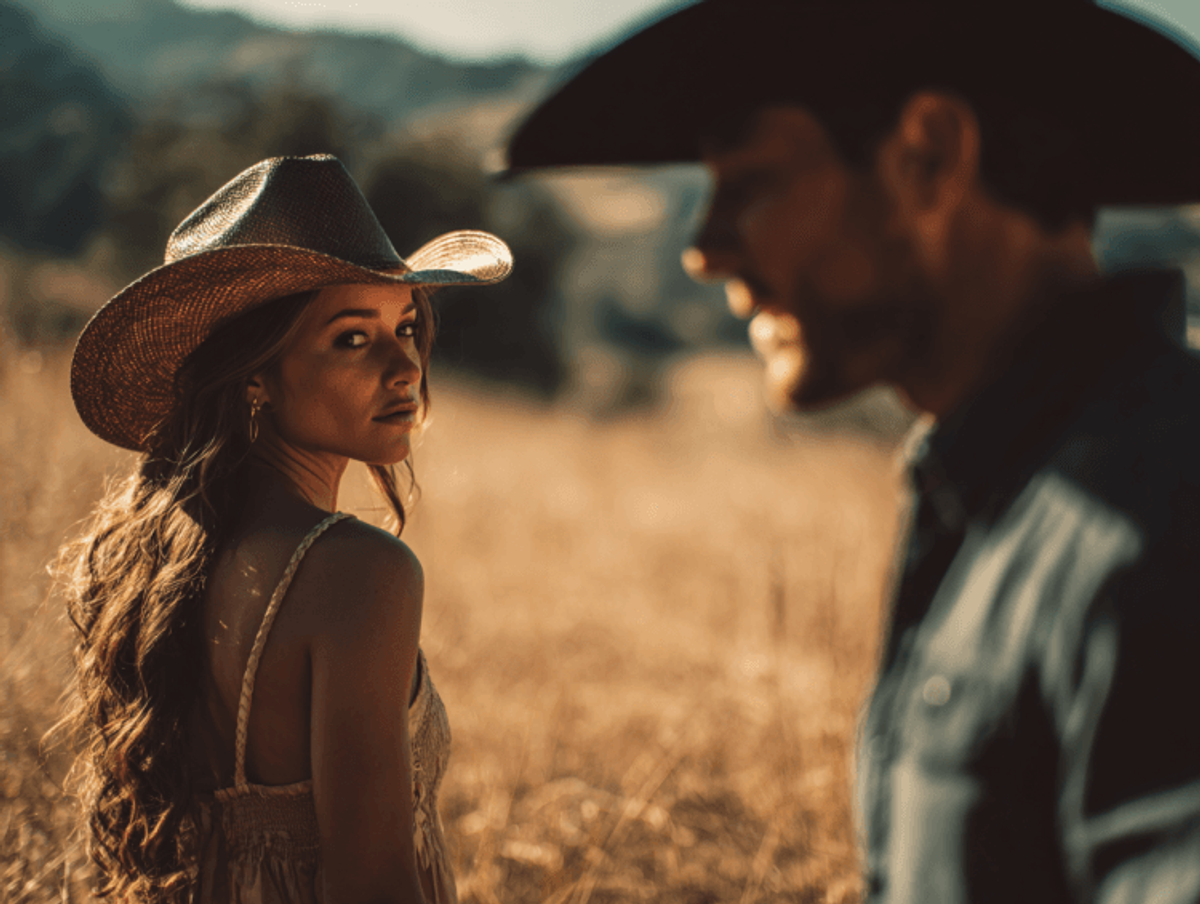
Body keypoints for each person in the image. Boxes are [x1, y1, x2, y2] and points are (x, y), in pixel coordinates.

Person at [505, 1, 1200, 902]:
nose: (703, 251)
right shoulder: (1008, 494)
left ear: (929, 157)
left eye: (750, 183)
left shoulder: (1159, 521)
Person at [58, 154, 511, 904]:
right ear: (255, 374)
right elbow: (374, 886)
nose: (404, 367)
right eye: (353, 339)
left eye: (405, 326)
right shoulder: (360, 573)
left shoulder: (168, 561)